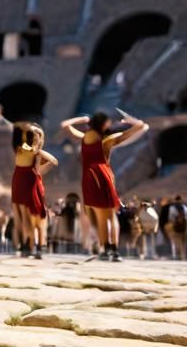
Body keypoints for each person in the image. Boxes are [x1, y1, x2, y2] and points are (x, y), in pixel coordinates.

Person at [61, 111, 148, 261]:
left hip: (89, 177)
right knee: (110, 216)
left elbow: (65, 125)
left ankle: (105, 249)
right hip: (103, 175)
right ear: (104, 125)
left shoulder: (84, 137)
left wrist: (81, 119)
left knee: (101, 217)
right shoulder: (107, 140)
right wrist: (131, 121)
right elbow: (140, 127)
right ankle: (113, 250)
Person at [10, 122, 58, 259]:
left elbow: (47, 166)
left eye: (37, 134)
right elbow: (28, 149)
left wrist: (44, 157)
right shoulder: (23, 146)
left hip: (32, 182)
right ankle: (27, 243)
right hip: (21, 180)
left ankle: (39, 245)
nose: (34, 135)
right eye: (32, 133)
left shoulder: (37, 153)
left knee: (36, 214)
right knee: (24, 214)